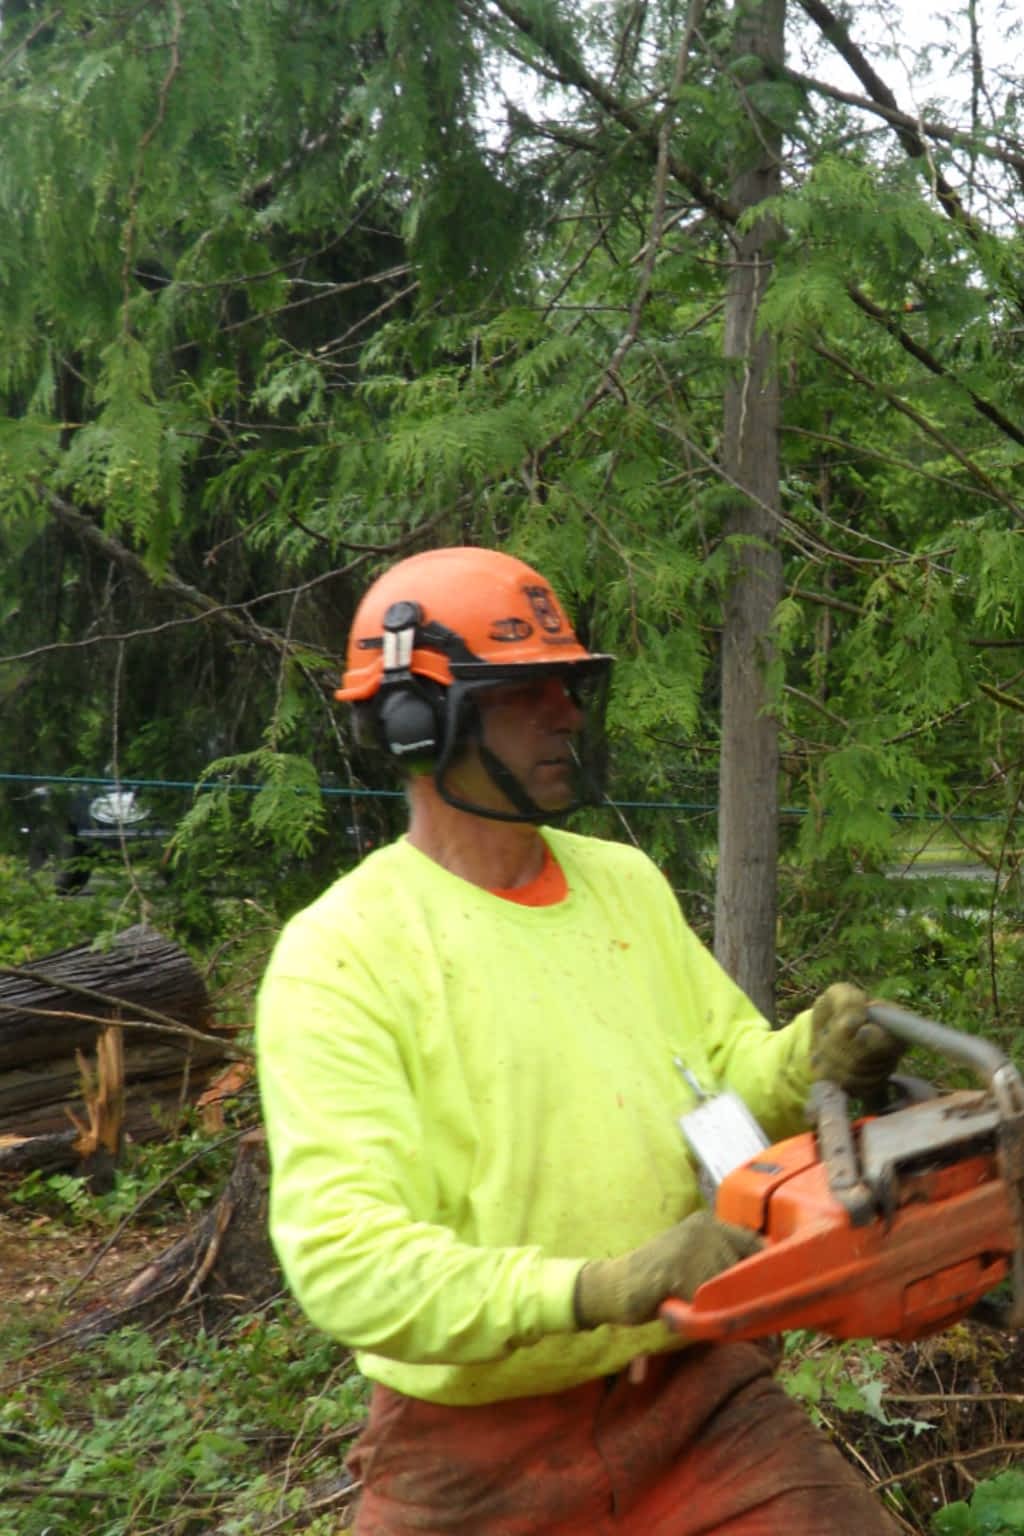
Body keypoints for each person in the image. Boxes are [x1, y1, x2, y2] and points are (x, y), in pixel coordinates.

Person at [255, 547, 905, 1534]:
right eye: (524, 692)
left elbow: (717, 1074)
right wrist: (593, 1290)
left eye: (567, 685)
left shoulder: (621, 884)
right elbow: (346, 1262)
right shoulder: (342, 955)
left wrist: (805, 1060)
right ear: (417, 721)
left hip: (697, 1401)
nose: (565, 712)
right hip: (472, 1459)